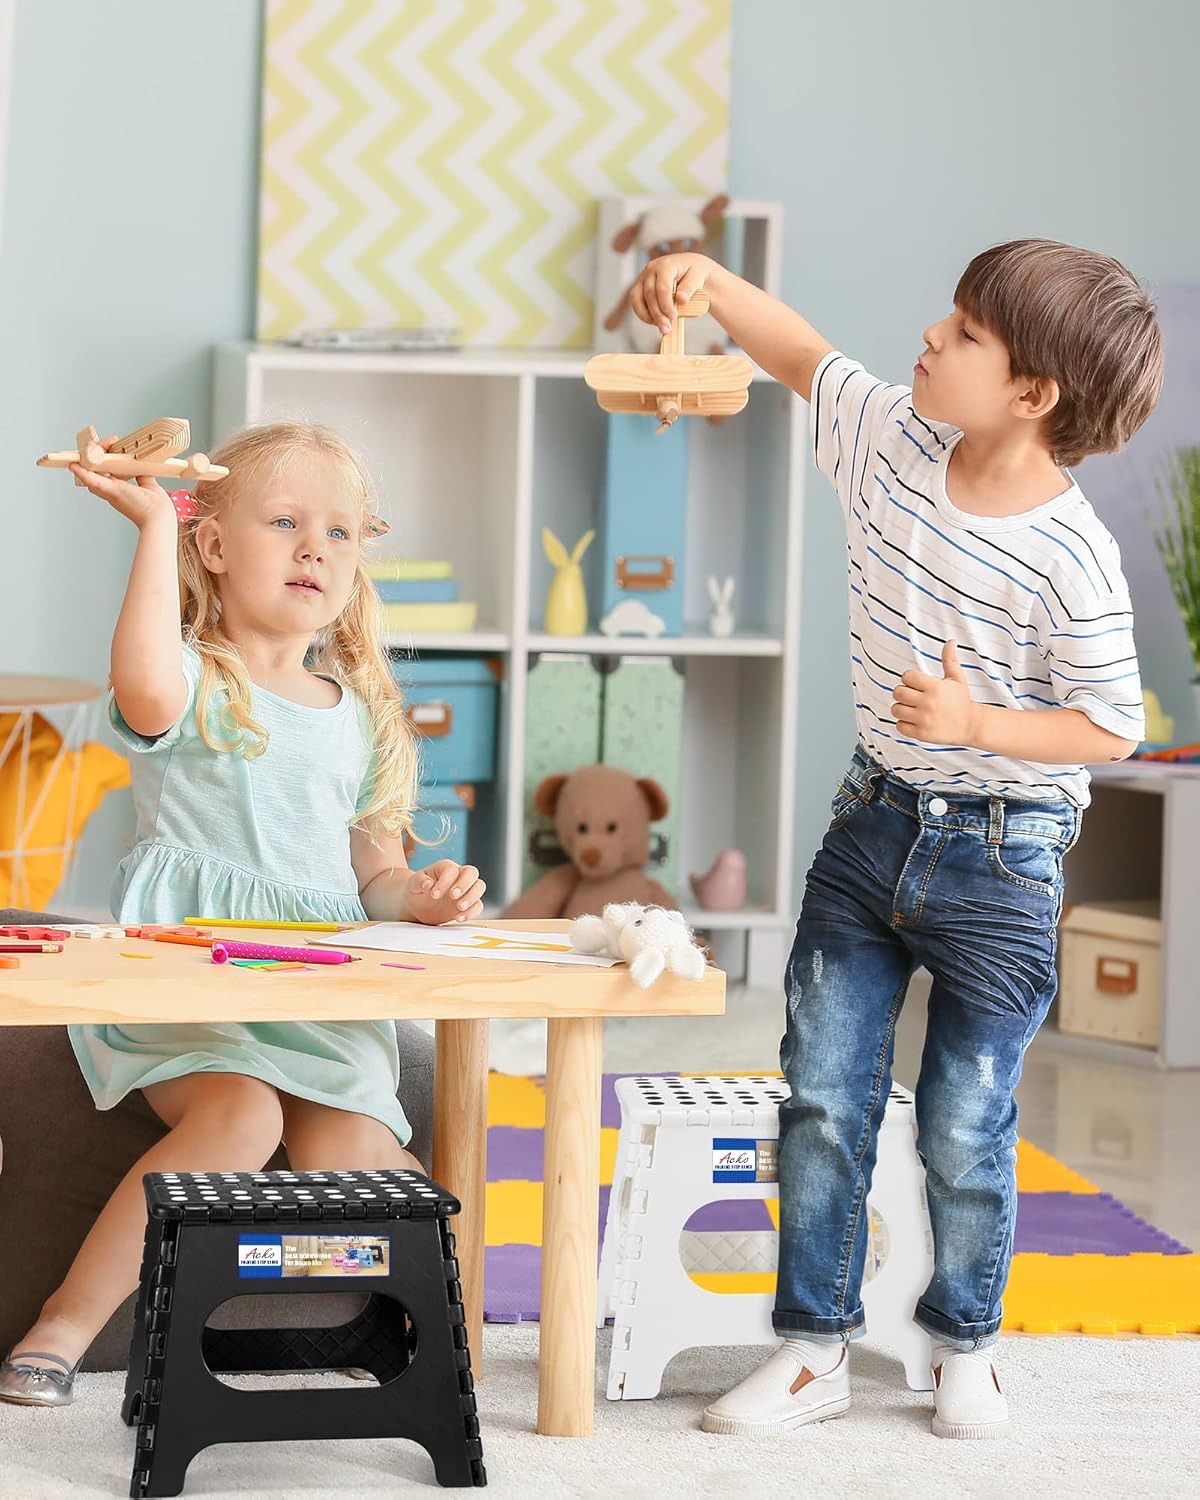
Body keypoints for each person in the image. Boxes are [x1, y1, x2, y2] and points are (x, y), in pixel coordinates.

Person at [632, 239, 1162, 1438]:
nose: (931, 335)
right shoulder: (890, 440)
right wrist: (706, 283)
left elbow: (1113, 727)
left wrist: (980, 722)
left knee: (967, 1124)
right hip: (872, 827)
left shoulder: (1073, 554)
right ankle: (813, 1346)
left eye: (968, 332)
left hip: (1006, 857)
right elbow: (798, 353)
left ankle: (963, 1341)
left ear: (1034, 396)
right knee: (822, 1098)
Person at [1, 421, 486, 1407]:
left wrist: (419, 898)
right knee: (241, 1114)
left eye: (341, 532)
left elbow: (375, 874)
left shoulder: (357, 713)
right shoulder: (195, 675)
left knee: (344, 1142)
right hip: (193, 986)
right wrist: (149, 525)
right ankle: (64, 1318)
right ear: (215, 548)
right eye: (285, 521)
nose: (317, 547)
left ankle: (443, 1307)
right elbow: (138, 684)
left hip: (313, 994)